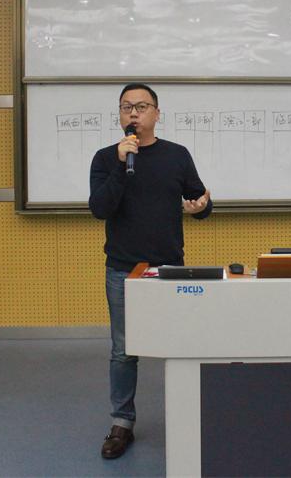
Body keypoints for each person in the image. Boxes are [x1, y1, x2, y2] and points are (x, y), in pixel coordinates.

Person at [89, 83, 212, 459]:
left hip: (169, 269)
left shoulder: (177, 155)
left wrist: (200, 207)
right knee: (123, 351)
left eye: (142, 106)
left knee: (180, 343)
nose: (133, 113)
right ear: (120, 115)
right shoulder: (106, 158)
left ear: (157, 113)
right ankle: (122, 423)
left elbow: (200, 200)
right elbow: (100, 209)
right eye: (126, 107)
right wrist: (121, 166)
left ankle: (187, 415)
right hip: (123, 269)